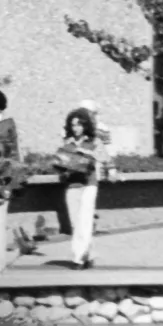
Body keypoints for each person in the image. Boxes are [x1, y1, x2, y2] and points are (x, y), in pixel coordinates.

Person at [56, 109, 109, 269]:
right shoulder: (67, 142)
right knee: (75, 222)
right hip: (72, 184)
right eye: (73, 125)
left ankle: (78, 258)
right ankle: (88, 255)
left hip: (89, 184)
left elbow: (104, 157)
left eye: (79, 125)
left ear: (85, 126)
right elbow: (61, 161)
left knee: (85, 220)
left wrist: (86, 153)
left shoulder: (94, 141)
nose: (76, 128)